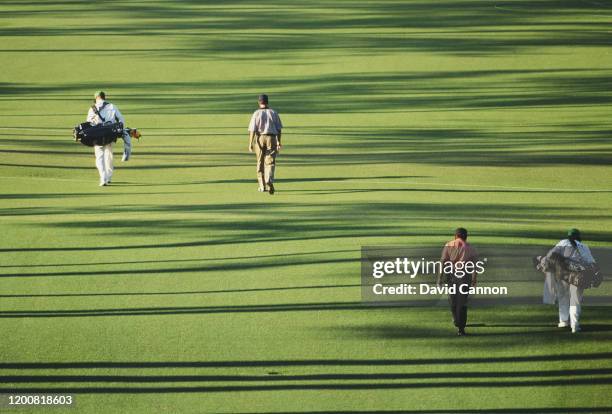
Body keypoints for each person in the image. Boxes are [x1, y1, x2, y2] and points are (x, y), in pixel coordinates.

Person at [545, 228, 596, 333]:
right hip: (579, 277)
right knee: (575, 301)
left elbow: (550, 255)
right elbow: (592, 263)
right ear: (578, 237)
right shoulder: (584, 247)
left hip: (562, 275)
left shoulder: (563, 242)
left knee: (563, 297)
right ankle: (575, 326)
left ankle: (563, 322)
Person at [437, 228, 478, 336]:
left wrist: (439, 278)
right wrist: (474, 279)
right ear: (466, 237)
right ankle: (461, 328)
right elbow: (474, 266)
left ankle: (456, 319)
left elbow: (443, 262)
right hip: (464, 276)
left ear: (455, 236)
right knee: (462, 301)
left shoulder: (449, 245)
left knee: (453, 299)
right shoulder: (470, 248)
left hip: (451, 274)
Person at [86, 91, 131, 186]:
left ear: (96, 98)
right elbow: (121, 120)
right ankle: (109, 177)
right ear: (104, 97)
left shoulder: (92, 108)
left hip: (97, 135)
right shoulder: (112, 106)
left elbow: (88, 123)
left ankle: (103, 178)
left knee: (99, 157)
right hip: (110, 134)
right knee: (109, 156)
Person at [248, 94, 283, 194]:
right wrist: (278, 141)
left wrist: (250, 142)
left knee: (260, 161)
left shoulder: (256, 113)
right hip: (271, 137)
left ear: (259, 102)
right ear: (267, 102)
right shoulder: (273, 113)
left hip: (260, 138)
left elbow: (252, 130)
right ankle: (269, 180)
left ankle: (262, 185)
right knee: (270, 161)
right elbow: (279, 129)